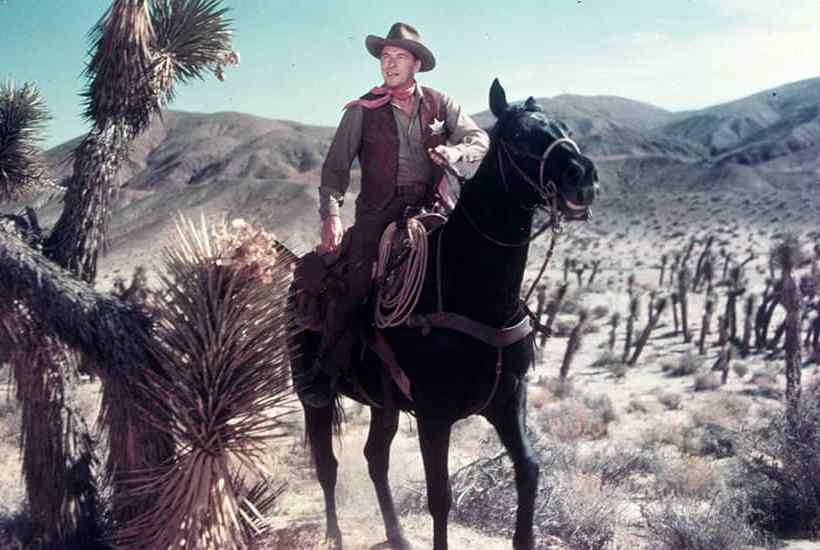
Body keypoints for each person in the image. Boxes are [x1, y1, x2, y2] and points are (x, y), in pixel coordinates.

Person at [300, 22, 489, 408]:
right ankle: (325, 370)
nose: (390, 64)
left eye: (399, 57)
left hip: (433, 208)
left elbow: (479, 139)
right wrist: (330, 215)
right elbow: (335, 168)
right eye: (386, 57)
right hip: (377, 214)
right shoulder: (361, 110)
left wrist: (455, 152)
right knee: (355, 287)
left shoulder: (441, 103)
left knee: (474, 270)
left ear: (416, 64)